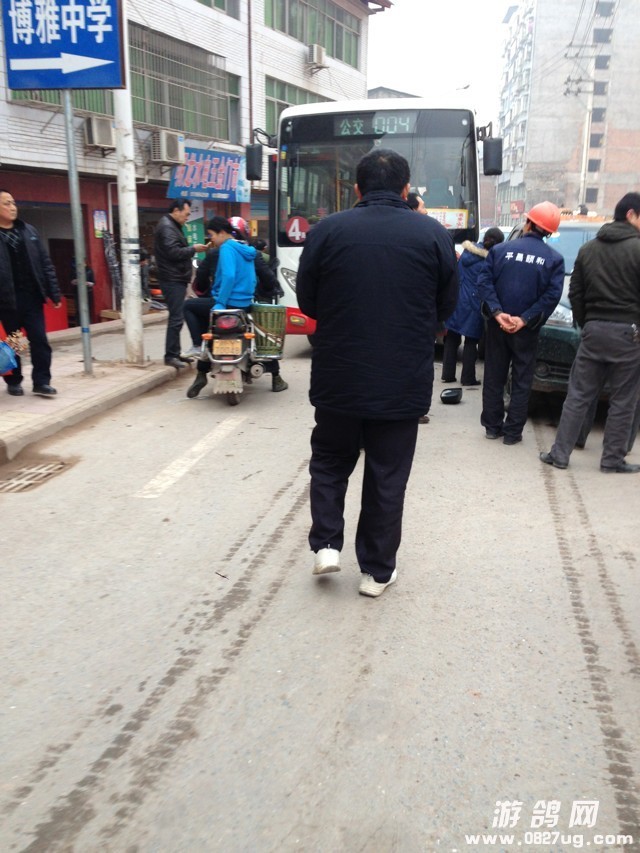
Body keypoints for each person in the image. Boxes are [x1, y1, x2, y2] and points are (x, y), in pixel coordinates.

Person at [296, 149, 458, 598]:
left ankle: (326, 545)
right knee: (387, 475)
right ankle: (376, 572)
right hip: (401, 381)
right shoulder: (433, 235)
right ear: (406, 190)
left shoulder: (326, 231)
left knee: (330, 461)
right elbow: (446, 305)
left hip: (339, 376)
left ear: (356, 188)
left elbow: (308, 301)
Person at [540, 192, 640, 473]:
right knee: (623, 401)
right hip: (628, 334)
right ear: (631, 214)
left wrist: (588, 324)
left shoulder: (588, 249)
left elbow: (576, 293)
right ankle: (611, 461)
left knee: (578, 395)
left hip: (593, 331)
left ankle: (560, 454)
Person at [478, 201, 564, 445]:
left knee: (494, 375)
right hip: (526, 330)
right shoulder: (554, 259)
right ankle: (513, 432)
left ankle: (492, 427)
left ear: (528, 223)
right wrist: (524, 319)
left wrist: (497, 313)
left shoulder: (500, 250)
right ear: (549, 232)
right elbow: (551, 296)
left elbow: (484, 282)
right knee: (522, 379)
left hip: (498, 326)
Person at [186, 216, 288, 399]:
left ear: (222, 232)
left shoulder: (223, 249)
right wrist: (271, 290)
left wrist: (221, 301)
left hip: (226, 302)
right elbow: (264, 277)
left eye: (211, 235)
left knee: (193, 311)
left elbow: (227, 276)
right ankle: (276, 376)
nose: (211, 240)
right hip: (245, 304)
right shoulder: (250, 252)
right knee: (261, 334)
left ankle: (198, 357)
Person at [0, 189, 61, 397]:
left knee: (39, 339)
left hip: (31, 299)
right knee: (14, 343)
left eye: (13, 202)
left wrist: (54, 293)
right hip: (7, 302)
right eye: (6, 203)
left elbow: (45, 264)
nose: (12, 207)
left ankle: (41, 382)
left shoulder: (28, 231)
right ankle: (14, 380)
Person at [441, 227, 505, 386]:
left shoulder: (467, 252)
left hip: (458, 298)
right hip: (475, 302)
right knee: (471, 340)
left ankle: (447, 374)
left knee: (452, 336)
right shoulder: (490, 260)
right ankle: (468, 378)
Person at [153, 199, 208, 369]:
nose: (187, 217)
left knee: (177, 317)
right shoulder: (167, 227)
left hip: (176, 278)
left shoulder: (172, 226)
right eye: (186, 214)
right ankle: (171, 355)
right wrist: (193, 249)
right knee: (176, 318)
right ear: (176, 211)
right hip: (172, 279)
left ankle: (175, 353)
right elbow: (173, 252)